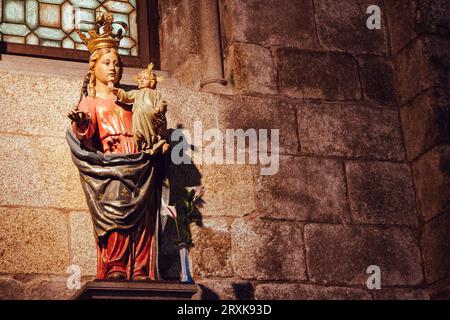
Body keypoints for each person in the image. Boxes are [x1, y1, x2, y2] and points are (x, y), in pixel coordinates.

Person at [67, 13, 166, 281]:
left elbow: (147, 125)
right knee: (116, 213)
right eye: (107, 62)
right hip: (111, 167)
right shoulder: (90, 101)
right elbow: (85, 133)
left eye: (117, 63)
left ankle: (141, 268)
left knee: (143, 219)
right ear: (93, 67)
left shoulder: (130, 101)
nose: (113, 68)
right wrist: (81, 122)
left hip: (140, 163)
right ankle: (116, 266)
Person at [114, 63, 169, 155]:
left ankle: (154, 142)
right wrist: (118, 92)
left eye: (145, 78)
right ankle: (141, 140)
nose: (142, 80)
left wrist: (159, 108)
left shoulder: (155, 93)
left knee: (152, 131)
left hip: (151, 115)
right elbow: (126, 96)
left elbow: (162, 102)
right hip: (138, 115)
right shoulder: (136, 93)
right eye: (140, 79)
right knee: (138, 128)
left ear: (152, 82)